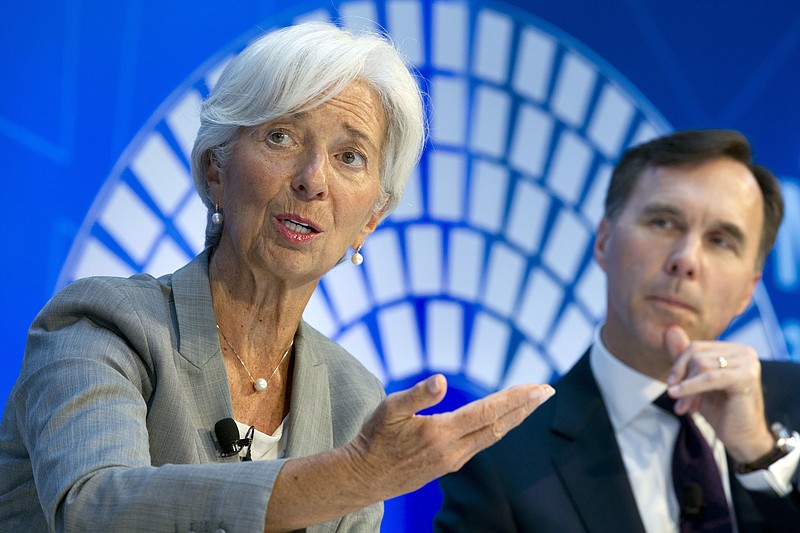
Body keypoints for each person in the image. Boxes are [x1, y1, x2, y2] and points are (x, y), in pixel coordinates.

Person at [0, 22, 555, 532]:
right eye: (282, 137)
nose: (314, 179)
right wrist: (353, 475)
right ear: (216, 168)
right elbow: (95, 508)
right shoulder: (104, 325)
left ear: (371, 219)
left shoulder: (353, 399)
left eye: (350, 156)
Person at [436, 129, 800, 532]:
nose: (685, 260)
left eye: (720, 240)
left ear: (748, 290)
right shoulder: (502, 464)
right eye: (663, 222)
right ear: (604, 241)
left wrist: (760, 456)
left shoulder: (794, 402)